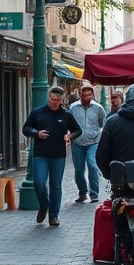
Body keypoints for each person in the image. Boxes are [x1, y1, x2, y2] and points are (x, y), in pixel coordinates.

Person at [22, 85, 81, 227]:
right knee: (39, 183)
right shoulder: (38, 112)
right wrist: (37, 133)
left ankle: (54, 215)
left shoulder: (66, 114)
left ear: (61, 100)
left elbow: (77, 130)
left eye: (56, 99)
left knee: (55, 186)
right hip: (40, 155)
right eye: (51, 98)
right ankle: (44, 205)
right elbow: (26, 128)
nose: (53, 101)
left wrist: (69, 136)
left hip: (58, 155)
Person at [68, 84, 105, 204]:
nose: (88, 97)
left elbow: (101, 123)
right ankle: (82, 192)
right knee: (79, 169)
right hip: (77, 142)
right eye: (85, 95)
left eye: (90, 94)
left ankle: (94, 193)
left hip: (93, 142)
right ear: (81, 95)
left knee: (92, 165)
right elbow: (69, 123)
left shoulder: (98, 108)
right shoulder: (73, 108)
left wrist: (97, 134)